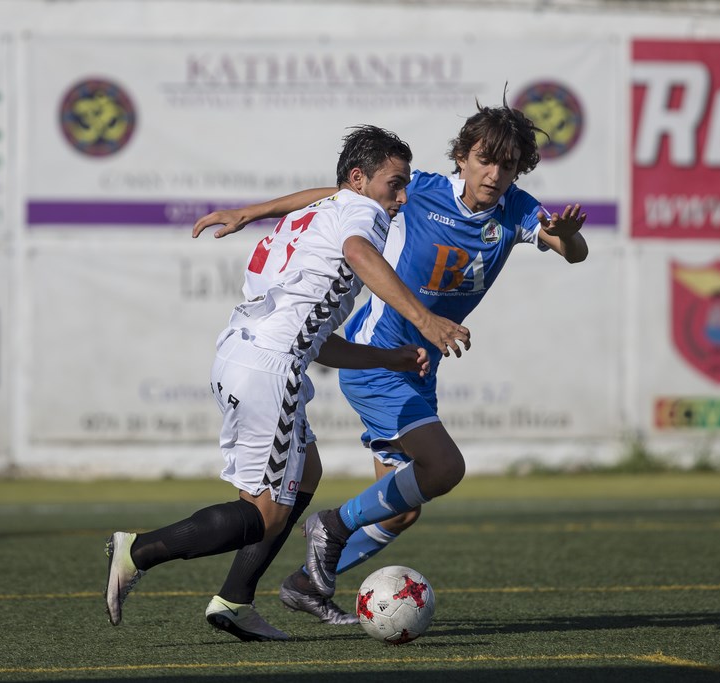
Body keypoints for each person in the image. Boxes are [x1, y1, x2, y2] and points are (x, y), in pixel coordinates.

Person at [192, 98, 588, 639]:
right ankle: (328, 527)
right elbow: (334, 197)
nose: (495, 174)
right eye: (485, 159)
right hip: (378, 357)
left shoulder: (517, 209)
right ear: (462, 157)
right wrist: (251, 211)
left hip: (419, 367)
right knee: (443, 468)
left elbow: (574, 251)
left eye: (509, 164)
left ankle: (307, 583)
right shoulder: (421, 188)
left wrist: (566, 235)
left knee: (401, 510)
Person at [104, 125, 472, 641]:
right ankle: (138, 551)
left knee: (304, 474)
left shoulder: (322, 210)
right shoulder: (361, 214)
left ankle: (234, 600)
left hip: (244, 354)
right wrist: (425, 319)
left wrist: (387, 356)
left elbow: (319, 341)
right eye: (395, 184)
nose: (402, 197)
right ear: (360, 179)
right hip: (268, 371)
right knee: (264, 515)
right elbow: (362, 257)